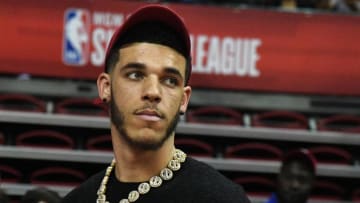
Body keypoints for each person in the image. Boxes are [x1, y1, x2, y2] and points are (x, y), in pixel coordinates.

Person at [62, 4, 250, 203]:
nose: (153, 92)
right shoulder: (78, 199)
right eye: (135, 75)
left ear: (184, 99)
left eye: (170, 80)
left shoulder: (221, 198)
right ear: (106, 87)